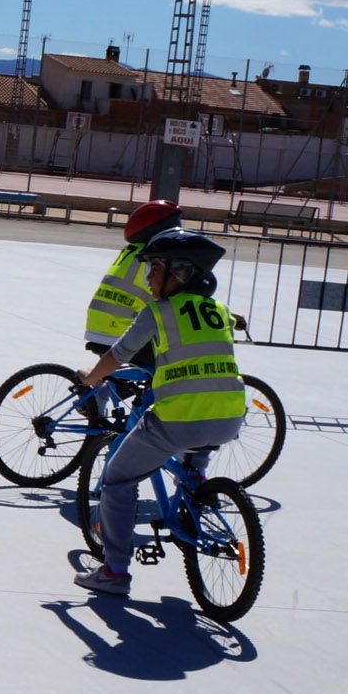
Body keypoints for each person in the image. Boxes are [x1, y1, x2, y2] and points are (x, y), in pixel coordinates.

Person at [71, 228, 245, 597]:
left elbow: (118, 355)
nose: (147, 278)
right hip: (230, 416)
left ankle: (115, 571)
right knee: (196, 448)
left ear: (178, 273)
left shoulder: (157, 312)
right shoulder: (220, 310)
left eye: (153, 269)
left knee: (118, 481)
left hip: (178, 419)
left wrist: (90, 378)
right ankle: (196, 490)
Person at [84, 200, 184, 365]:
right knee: (172, 361)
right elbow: (176, 300)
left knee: (124, 383)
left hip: (99, 326)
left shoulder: (131, 251)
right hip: (119, 331)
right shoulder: (151, 260)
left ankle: (108, 390)